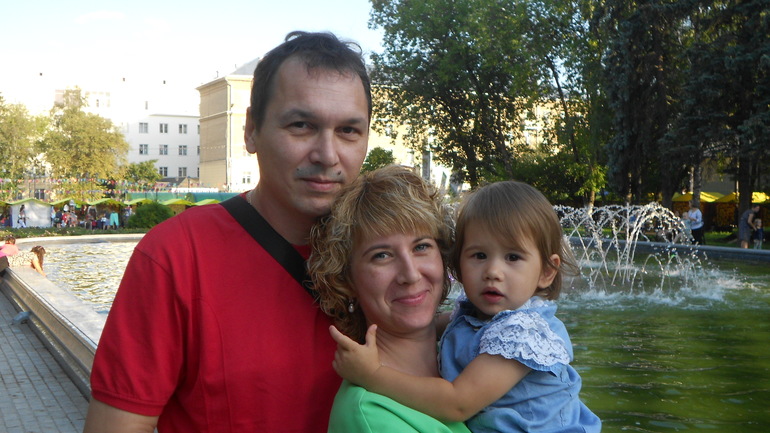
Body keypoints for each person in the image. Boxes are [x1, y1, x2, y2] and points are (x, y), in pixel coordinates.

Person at [84, 31, 372, 433]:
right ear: (251, 130)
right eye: (301, 125)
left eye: (349, 131)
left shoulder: (394, 259)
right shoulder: (175, 256)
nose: (327, 154)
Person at [331, 181, 601, 433]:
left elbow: (457, 404)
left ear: (546, 272)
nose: (493, 271)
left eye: (513, 257)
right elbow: (447, 322)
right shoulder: (372, 417)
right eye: (479, 255)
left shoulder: (522, 334)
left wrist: (373, 374)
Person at [308, 165, 470, 433]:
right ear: (346, 280)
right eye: (381, 255)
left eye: (421, 247)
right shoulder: (372, 416)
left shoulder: (468, 358)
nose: (411, 274)